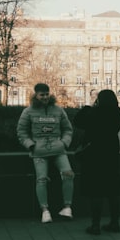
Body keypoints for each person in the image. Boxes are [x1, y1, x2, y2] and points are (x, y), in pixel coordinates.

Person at [16, 82, 75, 223]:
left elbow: (68, 129)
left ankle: (67, 207)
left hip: (59, 150)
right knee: (41, 179)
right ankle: (45, 210)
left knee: (68, 175)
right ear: (35, 95)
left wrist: (64, 142)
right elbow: (21, 132)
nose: (45, 97)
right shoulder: (28, 111)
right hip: (39, 152)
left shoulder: (59, 110)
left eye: (47, 94)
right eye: (42, 95)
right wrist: (30, 145)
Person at [74, 89, 120, 234]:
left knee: (96, 192)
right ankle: (115, 224)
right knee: (112, 192)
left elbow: (78, 121)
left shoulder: (94, 113)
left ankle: (95, 225)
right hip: (111, 154)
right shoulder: (117, 113)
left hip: (94, 155)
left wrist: (87, 107)